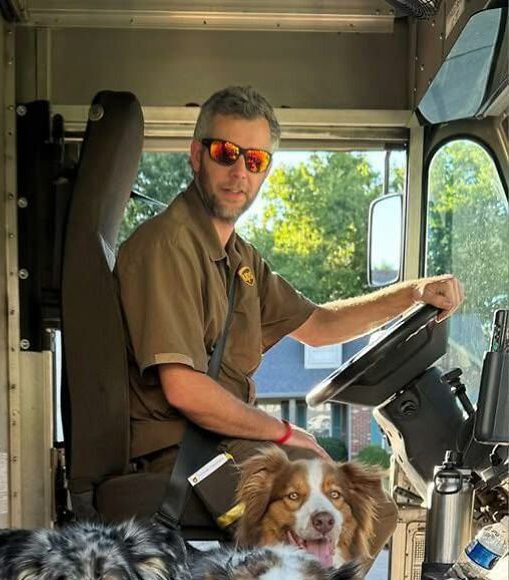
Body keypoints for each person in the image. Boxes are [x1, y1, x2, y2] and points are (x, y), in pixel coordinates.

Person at [115, 86, 464, 553]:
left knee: (366, 506)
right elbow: (185, 389)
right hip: (184, 454)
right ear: (196, 156)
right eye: (225, 153)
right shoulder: (169, 246)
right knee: (337, 515)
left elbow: (318, 326)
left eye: (255, 160)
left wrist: (412, 294)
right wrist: (284, 432)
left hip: (220, 443)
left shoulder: (239, 258)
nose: (240, 171)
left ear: (265, 170)